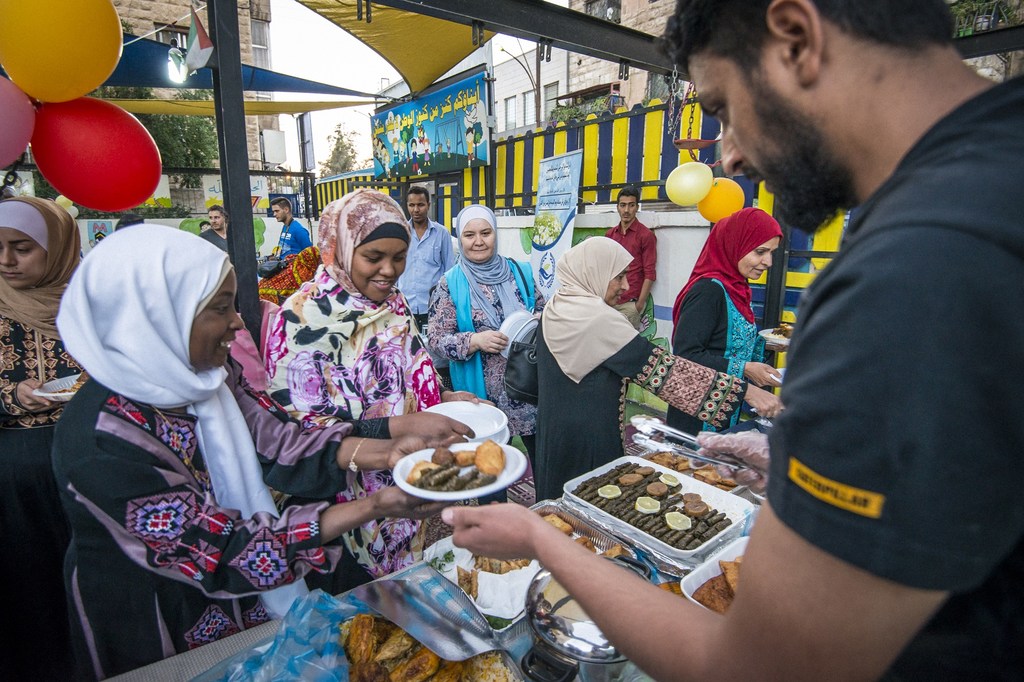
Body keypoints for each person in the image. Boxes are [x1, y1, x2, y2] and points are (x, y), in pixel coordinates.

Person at [446, 1, 1024, 679]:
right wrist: (796, 453)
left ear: (796, 36)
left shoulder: (920, 265)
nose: (729, 155)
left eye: (722, 107)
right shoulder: (988, 185)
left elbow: (759, 666)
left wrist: (541, 540)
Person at [53, 225, 444, 679]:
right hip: (162, 614)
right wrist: (374, 505)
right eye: (221, 308)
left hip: (253, 589)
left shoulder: (212, 377)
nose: (239, 323)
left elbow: (282, 440)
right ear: (157, 315)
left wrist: (389, 453)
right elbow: (221, 551)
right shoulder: (101, 441)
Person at [264, 189, 474, 580]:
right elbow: (302, 436)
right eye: (373, 257)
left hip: (410, 478)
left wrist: (444, 396)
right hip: (348, 504)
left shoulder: (394, 303)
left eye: (399, 257)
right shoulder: (302, 320)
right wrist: (400, 427)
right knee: (364, 597)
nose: (389, 271)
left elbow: (408, 372)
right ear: (340, 249)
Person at [532, 237, 778, 501]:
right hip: (588, 440)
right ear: (594, 272)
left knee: (558, 498)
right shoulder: (595, 320)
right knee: (588, 500)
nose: (626, 287)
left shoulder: (561, 304)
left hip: (555, 431)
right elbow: (663, 372)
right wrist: (744, 392)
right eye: (619, 277)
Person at [0, 196, 80, 679]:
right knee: (26, 587)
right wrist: (11, 395)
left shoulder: (89, 303)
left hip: (85, 466)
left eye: (22, 247)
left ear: (57, 247)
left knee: (87, 578)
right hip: (12, 480)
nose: (6, 261)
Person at [427, 204, 543, 467]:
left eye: (486, 233)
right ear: (460, 238)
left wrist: (538, 320)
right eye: (469, 235)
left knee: (543, 459)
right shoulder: (450, 283)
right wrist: (474, 341)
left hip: (529, 389)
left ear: (495, 234)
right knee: (488, 466)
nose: (478, 241)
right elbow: (436, 339)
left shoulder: (520, 273)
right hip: (484, 398)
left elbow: (543, 309)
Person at [669, 207, 784, 434]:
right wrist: (745, 368)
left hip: (725, 404)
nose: (768, 262)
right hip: (698, 411)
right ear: (734, 244)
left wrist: (768, 345)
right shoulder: (709, 291)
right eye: (760, 252)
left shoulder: (738, 288)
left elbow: (725, 342)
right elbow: (685, 356)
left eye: (772, 253)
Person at [604, 186, 656, 333]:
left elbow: (650, 273)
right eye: (623, 205)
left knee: (624, 344)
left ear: (637, 207)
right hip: (609, 301)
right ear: (617, 207)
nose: (626, 210)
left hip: (630, 304)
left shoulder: (645, 235)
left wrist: (638, 305)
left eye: (631, 205)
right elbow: (605, 268)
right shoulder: (610, 235)